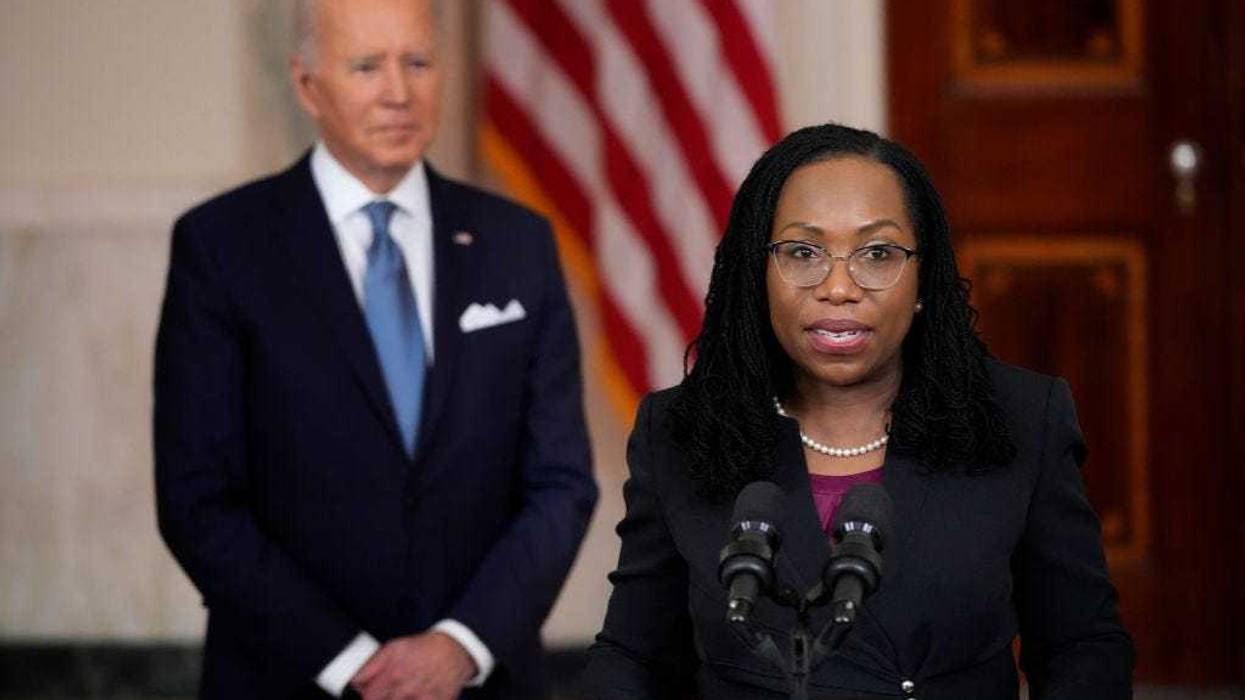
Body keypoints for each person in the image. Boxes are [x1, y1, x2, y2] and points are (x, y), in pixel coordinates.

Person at [584, 123, 1134, 699]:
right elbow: (634, 656)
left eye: (876, 253)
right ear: (759, 275)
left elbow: (1083, 647)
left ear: (923, 279)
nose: (840, 287)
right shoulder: (681, 432)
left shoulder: (1022, 419)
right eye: (803, 252)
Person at [153, 0, 597, 698]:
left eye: (416, 63)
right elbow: (197, 500)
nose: (398, 92)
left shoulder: (518, 247)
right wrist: (355, 664)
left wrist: (458, 646)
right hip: (289, 678)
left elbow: (561, 484)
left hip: (480, 682)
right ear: (307, 86)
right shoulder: (222, 249)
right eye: (366, 66)